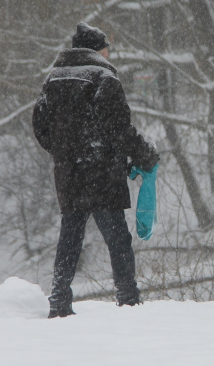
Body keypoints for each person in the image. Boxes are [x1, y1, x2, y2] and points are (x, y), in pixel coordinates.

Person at [33, 22, 159, 318]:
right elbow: (119, 128)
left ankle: (60, 301)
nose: (108, 53)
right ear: (95, 50)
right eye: (105, 47)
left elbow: (40, 126)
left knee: (71, 236)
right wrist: (145, 155)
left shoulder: (52, 79)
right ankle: (128, 300)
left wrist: (65, 153)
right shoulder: (103, 77)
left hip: (69, 174)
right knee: (118, 239)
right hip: (102, 174)